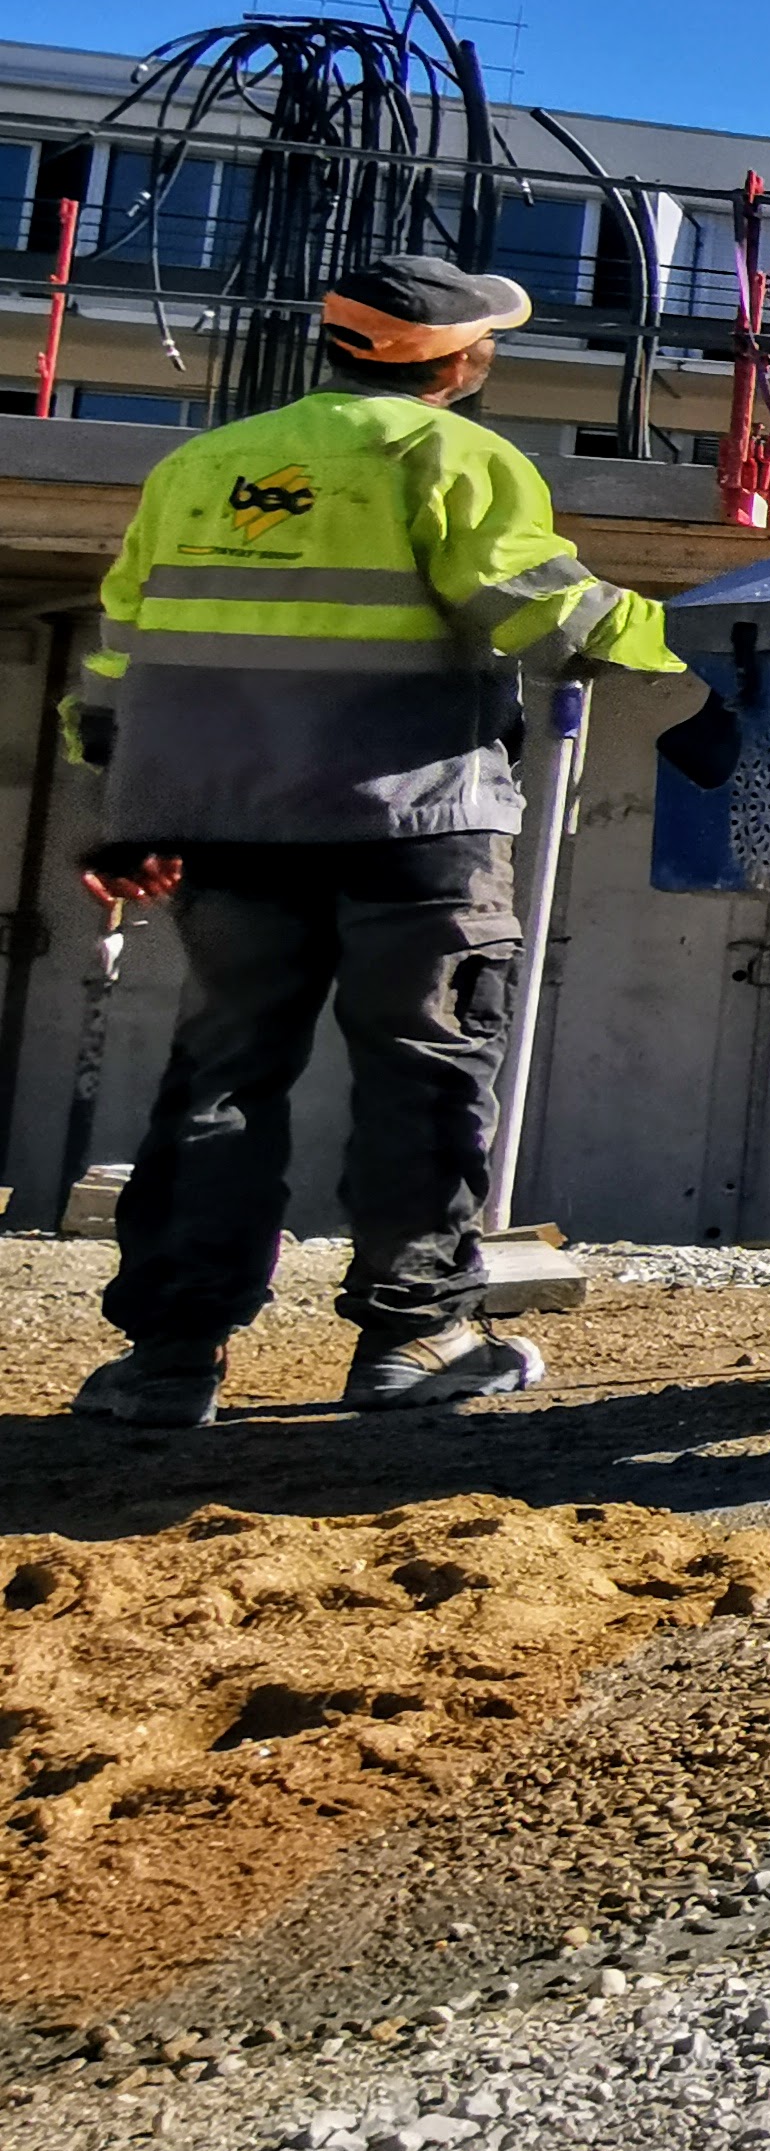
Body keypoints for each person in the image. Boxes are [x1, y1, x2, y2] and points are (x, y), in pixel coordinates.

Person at [58, 253, 678, 1428]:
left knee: (222, 1076)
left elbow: (117, 657)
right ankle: (414, 1337)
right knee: (426, 1069)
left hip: (228, 826)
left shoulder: (199, 466)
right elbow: (551, 619)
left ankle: (167, 1359)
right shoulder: (451, 458)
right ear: (457, 359)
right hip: (413, 823)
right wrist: (708, 633)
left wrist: (124, 809)